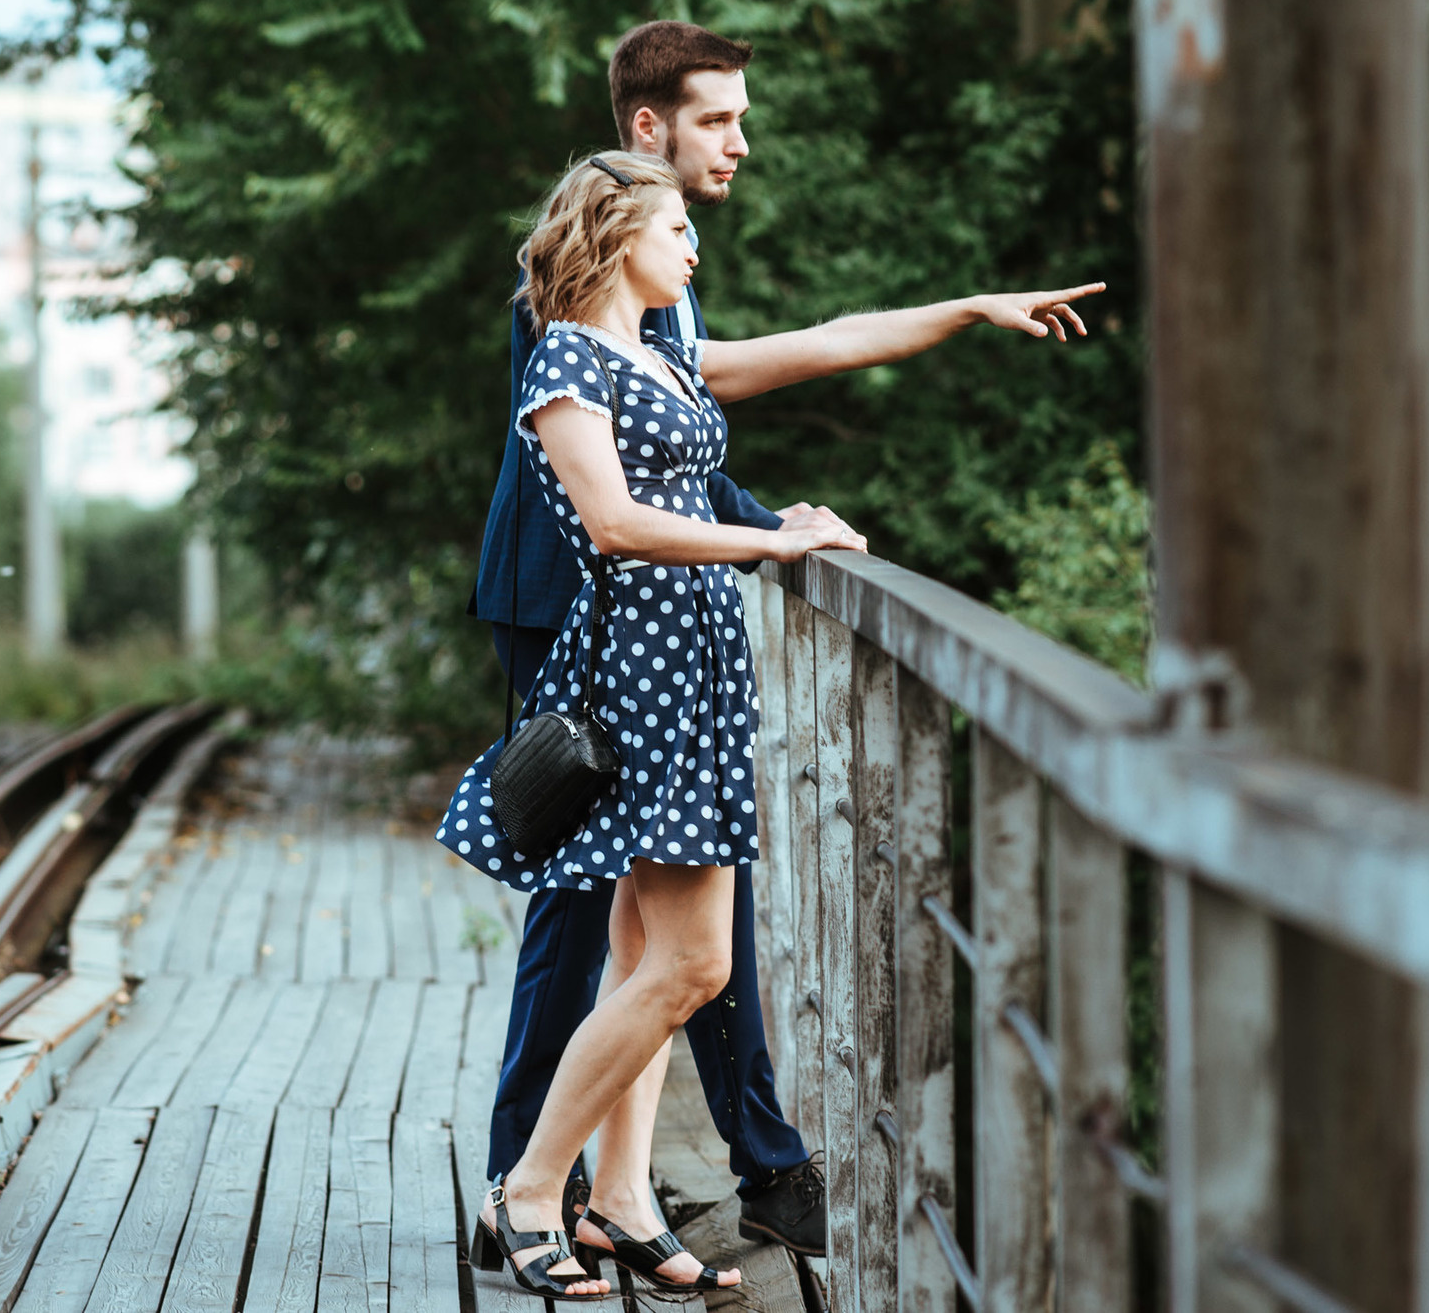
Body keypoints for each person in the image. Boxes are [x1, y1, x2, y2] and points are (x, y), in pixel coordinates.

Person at [450, 135, 1101, 1297]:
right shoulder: (566, 363)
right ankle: (529, 1190)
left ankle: (616, 1198)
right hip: (641, 681)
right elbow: (615, 524)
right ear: (615, 238)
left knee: (651, 954)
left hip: (696, 676)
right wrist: (773, 538)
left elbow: (835, 341)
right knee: (693, 964)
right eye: (675, 231)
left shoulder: (660, 358)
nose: (693, 247)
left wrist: (969, 308)